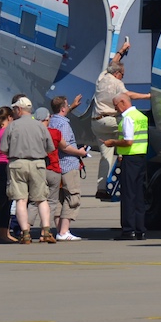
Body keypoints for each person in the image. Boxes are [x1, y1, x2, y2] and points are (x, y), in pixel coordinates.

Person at [91, 40, 149, 200]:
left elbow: (113, 63)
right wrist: (148, 96)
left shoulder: (102, 77)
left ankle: (101, 188)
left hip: (96, 122)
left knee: (105, 156)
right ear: (118, 75)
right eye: (123, 74)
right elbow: (128, 96)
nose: (123, 77)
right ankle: (124, 158)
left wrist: (122, 50)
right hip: (110, 121)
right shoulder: (117, 83)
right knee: (130, 128)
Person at [0, 95, 55, 243]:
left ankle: (25, 234)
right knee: (41, 199)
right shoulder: (39, 126)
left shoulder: (12, 126)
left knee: (21, 200)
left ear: (18, 109)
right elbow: (50, 147)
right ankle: (47, 231)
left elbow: (3, 149)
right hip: (38, 163)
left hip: (17, 164)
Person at [104, 93, 149, 240]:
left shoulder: (128, 118)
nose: (116, 109)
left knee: (128, 195)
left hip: (130, 158)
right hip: (141, 157)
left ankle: (128, 230)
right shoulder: (141, 117)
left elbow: (128, 141)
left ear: (123, 102)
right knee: (139, 195)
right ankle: (140, 229)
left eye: (116, 106)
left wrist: (113, 142)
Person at [49, 95, 90, 240]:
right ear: (62, 108)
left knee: (59, 199)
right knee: (72, 197)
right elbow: (64, 146)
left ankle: (59, 230)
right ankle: (64, 232)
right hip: (68, 164)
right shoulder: (63, 124)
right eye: (66, 105)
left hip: (57, 165)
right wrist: (80, 152)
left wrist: (72, 106)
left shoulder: (52, 121)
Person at [0, 106, 17, 243]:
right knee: (6, 201)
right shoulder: (8, 132)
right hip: (6, 165)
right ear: (9, 118)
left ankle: (3, 233)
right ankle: (4, 234)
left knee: (1, 201)